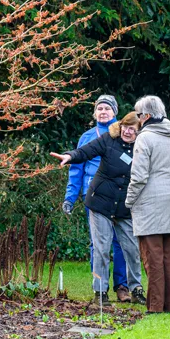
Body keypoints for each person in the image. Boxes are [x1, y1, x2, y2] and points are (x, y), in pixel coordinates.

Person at [52, 112, 146, 305]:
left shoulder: (142, 147)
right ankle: (100, 292)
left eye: (132, 129)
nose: (127, 132)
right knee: (101, 248)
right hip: (100, 202)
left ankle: (136, 289)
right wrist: (69, 156)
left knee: (132, 249)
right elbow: (85, 151)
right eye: (125, 127)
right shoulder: (108, 140)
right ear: (120, 126)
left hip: (125, 206)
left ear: (139, 132)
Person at [62, 95, 129, 302]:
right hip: (94, 195)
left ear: (115, 112)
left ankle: (122, 286)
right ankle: (99, 288)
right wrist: (70, 198)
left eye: (107, 109)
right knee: (97, 244)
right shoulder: (87, 136)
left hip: (119, 195)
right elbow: (76, 168)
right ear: (94, 112)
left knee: (121, 242)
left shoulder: (123, 135)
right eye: (99, 108)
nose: (103, 112)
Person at [126, 96, 170, 313]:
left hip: (150, 202)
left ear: (147, 116)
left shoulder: (145, 138)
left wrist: (129, 200)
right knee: (169, 257)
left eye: (139, 115)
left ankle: (155, 306)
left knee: (152, 256)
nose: (138, 120)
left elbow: (139, 176)